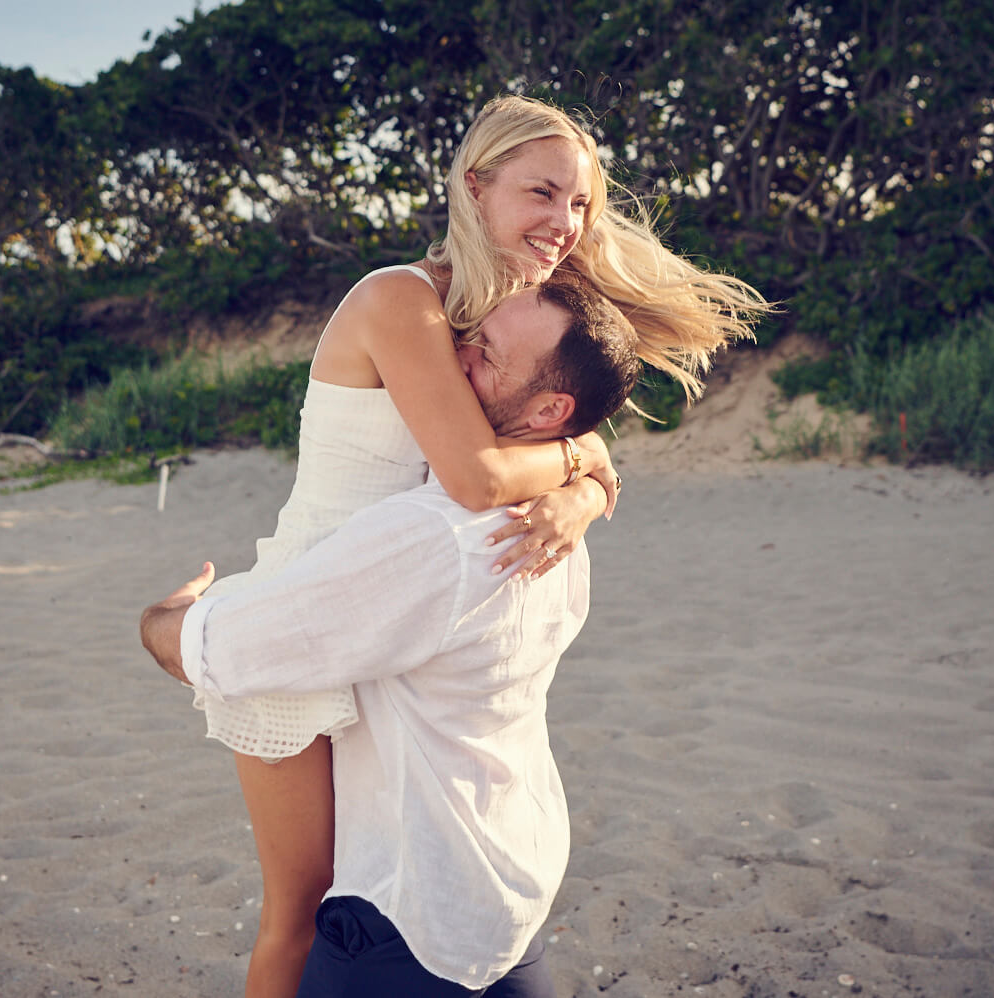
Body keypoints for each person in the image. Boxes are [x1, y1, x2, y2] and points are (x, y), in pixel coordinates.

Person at [188, 94, 769, 997]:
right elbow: (478, 477)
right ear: (474, 186)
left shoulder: (503, 325)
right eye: (542, 193)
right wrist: (583, 465)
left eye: (579, 203)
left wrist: (583, 479)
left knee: (364, 881)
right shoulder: (401, 301)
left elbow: (533, 434)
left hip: (393, 623)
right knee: (297, 911)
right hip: (309, 616)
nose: (564, 223)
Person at [142, 273, 641, 995]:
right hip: (513, 893)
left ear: (548, 410)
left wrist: (160, 620)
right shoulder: (556, 527)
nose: (454, 358)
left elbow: (225, 651)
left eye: (488, 354)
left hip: (413, 930)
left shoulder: (436, 536)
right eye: (467, 336)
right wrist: (584, 478)